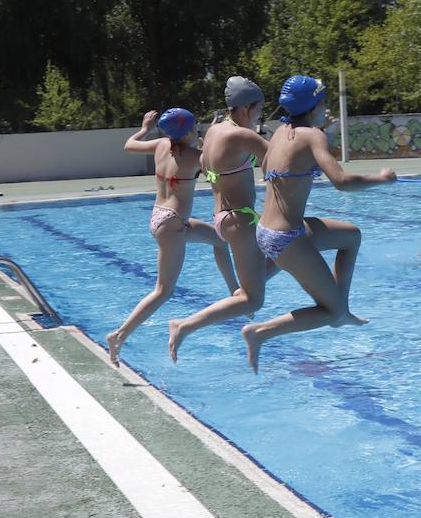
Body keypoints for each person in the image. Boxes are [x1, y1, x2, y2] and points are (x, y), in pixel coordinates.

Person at [238, 75, 397, 372]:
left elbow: (271, 168)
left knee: (351, 236)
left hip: (269, 230)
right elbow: (341, 182)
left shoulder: (280, 132)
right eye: (323, 102)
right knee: (330, 313)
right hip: (286, 236)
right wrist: (382, 178)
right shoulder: (313, 135)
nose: (325, 108)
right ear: (313, 105)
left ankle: (343, 306)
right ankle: (259, 333)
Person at [105, 109, 241, 366]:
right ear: (190, 131)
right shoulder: (194, 158)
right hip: (172, 225)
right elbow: (220, 167)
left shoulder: (160, 145)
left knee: (221, 240)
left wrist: (145, 128)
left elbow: (129, 145)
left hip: (161, 217)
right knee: (163, 290)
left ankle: (234, 290)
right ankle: (119, 335)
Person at [167, 76, 273, 361]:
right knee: (254, 299)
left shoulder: (214, 130)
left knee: (285, 255)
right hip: (241, 220)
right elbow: (281, 164)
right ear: (247, 107)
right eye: (260, 110)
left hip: (223, 218)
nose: (259, 117)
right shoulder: (242, 135)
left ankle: (241, 291)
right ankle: (185, 326)